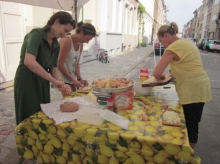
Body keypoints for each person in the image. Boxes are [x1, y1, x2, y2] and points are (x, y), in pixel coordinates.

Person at [152, 22, 212, 149]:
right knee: (192, 122)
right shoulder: (186, 42)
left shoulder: (173, 48)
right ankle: (185, 153)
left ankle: (188, 156)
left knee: (191, 126)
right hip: (200, 85)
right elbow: (189, 64)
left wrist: (162, 76)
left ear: (166, 36)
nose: (162, 45)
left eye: (161, 41)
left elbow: (157, 73)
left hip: (192, 89)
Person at [14, 11, 75, 125]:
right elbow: (29, 61)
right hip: (27, 79)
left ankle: (37, 139)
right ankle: (25, 140)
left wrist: (62, 84)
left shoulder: (56, 44)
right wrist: (54, 81)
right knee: (29, 114)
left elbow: (54, 69)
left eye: (68, 33)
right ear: (56, 22)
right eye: (65, 30)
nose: (64, 35)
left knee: (41, 113)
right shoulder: (36, 35)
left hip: (43, 80)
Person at [58, 21, 97, 95]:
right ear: (81, 33)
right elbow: (59, 65)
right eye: (87, 39)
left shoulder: (80, 44)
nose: (87, 42)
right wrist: (73, 80)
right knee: (69, 100)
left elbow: (76, 64)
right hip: (63, 77)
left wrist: (79, 79)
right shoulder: (66, 41)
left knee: (76, 97)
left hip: (71, 77)